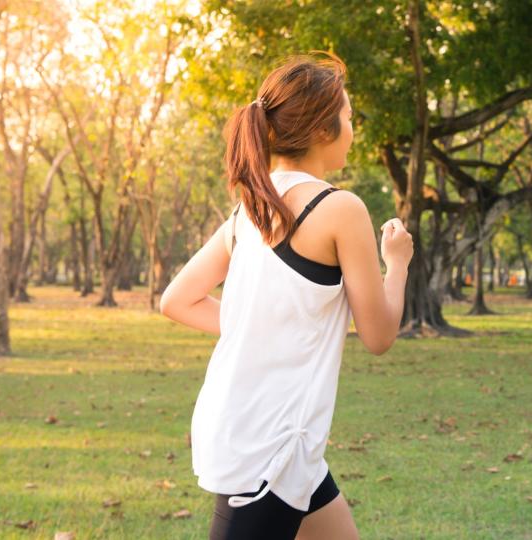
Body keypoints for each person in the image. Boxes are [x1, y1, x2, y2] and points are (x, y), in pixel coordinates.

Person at [159, 51, 413, 540]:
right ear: (323, 129)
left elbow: (178, 300)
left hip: (279, 441)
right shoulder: (340, 208)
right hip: (268, 450)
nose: (352, 128)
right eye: (349, 117)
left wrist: (258, 325)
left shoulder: (248, 210)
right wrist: (397, 264)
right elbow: (378, 334)